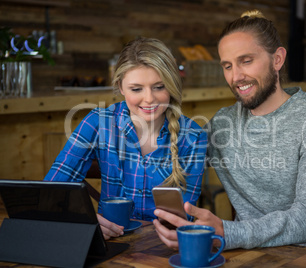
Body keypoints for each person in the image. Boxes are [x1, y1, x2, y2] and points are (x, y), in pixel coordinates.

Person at [153, 10, 306, 253]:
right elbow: (172, 161)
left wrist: (229, 232)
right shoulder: (224, 122)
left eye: (246, 61)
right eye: (227, 66)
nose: (236, 76)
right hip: (247, 254)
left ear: (277, 59)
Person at [44, 37, 207, 240]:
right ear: (121, 87)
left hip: (163, 246)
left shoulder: (193, 136)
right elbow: (51, 194)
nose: (149, 98)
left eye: (159, 86)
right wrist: (83, 221)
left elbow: (184, 218)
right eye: (136, 89)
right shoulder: (97, 122)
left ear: (172, 85)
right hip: (109, 241)